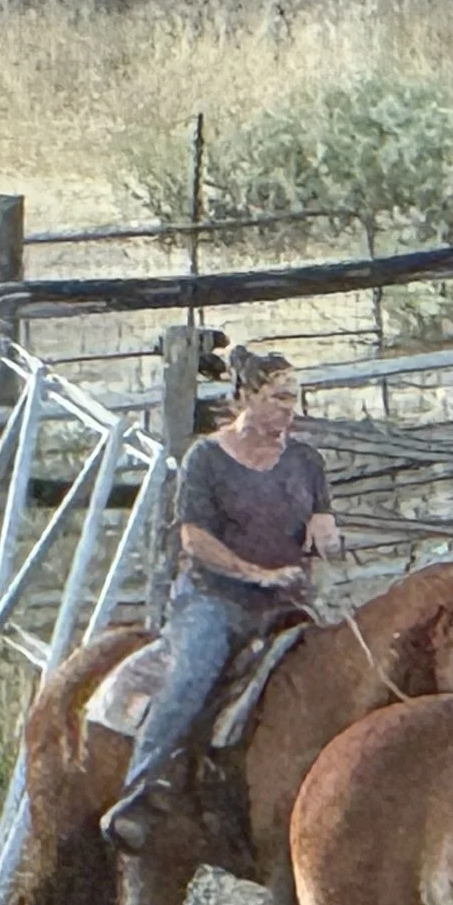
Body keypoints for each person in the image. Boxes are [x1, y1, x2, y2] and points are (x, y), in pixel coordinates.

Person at [102, 348, 338, 854]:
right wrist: (256, 573)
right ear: (246, 397)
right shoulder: (206, 459)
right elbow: (195, 540)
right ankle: (140, 791)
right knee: (193, 673)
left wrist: (326, 536)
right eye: (277, 398)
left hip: (286, 605)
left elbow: (323, 521)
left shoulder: (306, 461)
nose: (288, 410)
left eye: (293, 398)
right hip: (215, 600)